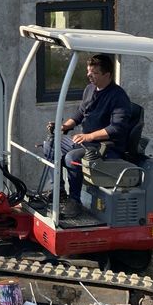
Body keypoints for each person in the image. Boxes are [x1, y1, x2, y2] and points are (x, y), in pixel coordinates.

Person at [43, 53, 132, 217]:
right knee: (50, 143)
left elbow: (116, 129)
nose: (89, 76)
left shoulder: (118, 97)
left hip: (106, 147)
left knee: (72, 158)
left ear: (107, 75)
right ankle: (58, 191)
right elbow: (79, 114)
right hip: (86, 142)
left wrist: (89, 136)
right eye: (88, 71)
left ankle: (74, 201)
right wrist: (63, 126)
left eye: (94, 73)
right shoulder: (90, 89)